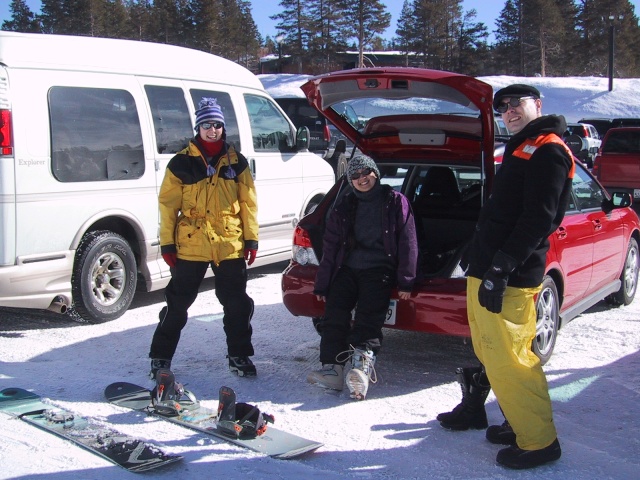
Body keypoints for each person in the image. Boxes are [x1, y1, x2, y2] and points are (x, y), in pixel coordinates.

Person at [437, 84, 574, 469]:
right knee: (490, 352)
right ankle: (517, 421)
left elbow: (539, 219)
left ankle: (539, 442)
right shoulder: (520, 146)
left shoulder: (548, 149)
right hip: (486, 269)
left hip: (510, 275)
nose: (509, 111)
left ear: (538, 105)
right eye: (503, 107)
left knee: (512, 358)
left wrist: (502, 267)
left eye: (517, 104)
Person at [148, 97, 259, 379]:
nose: (213, 130)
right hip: (192, 244)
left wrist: (251, 239)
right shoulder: (181, 163)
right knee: (177, 304)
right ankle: (160, 358)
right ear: (198, 127)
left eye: (217, 125)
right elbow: (168, 207)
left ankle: (239, 355)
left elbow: (248, 203)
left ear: (223, 127)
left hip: (229, 244)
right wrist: (168, 244)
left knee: (236, 304)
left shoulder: (237, 162)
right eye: (207, 125)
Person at [307, 155, 418, 400]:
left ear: (375, 173)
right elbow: (331, 247)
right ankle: (332, 370)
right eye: (355, 176)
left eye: (365, 173)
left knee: (369, 316)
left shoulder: (395, 202)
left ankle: (360, 369)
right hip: (347, 269)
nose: (361, 179)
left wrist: (405, 280)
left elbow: (408, 242)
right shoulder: (344, 205)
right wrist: (323, 283)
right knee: (334, 314)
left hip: (379, 269)